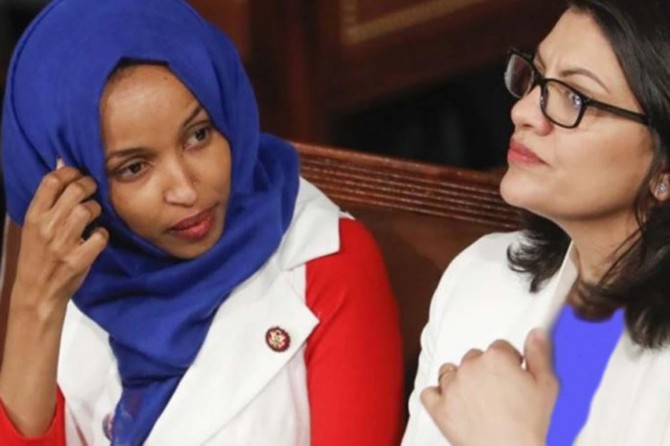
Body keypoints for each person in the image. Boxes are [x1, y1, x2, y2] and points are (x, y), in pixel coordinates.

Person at [0, 0, 404, 444]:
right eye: (134, 167)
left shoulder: (329, 262)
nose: (185, 190)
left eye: (198, 135)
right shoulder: (63, 267)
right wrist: (34, 309)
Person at [402, 0, 670, 445]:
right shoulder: (480, 276)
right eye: (538, 76)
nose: (524, 112)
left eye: (576, 97)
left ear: (664, 170)